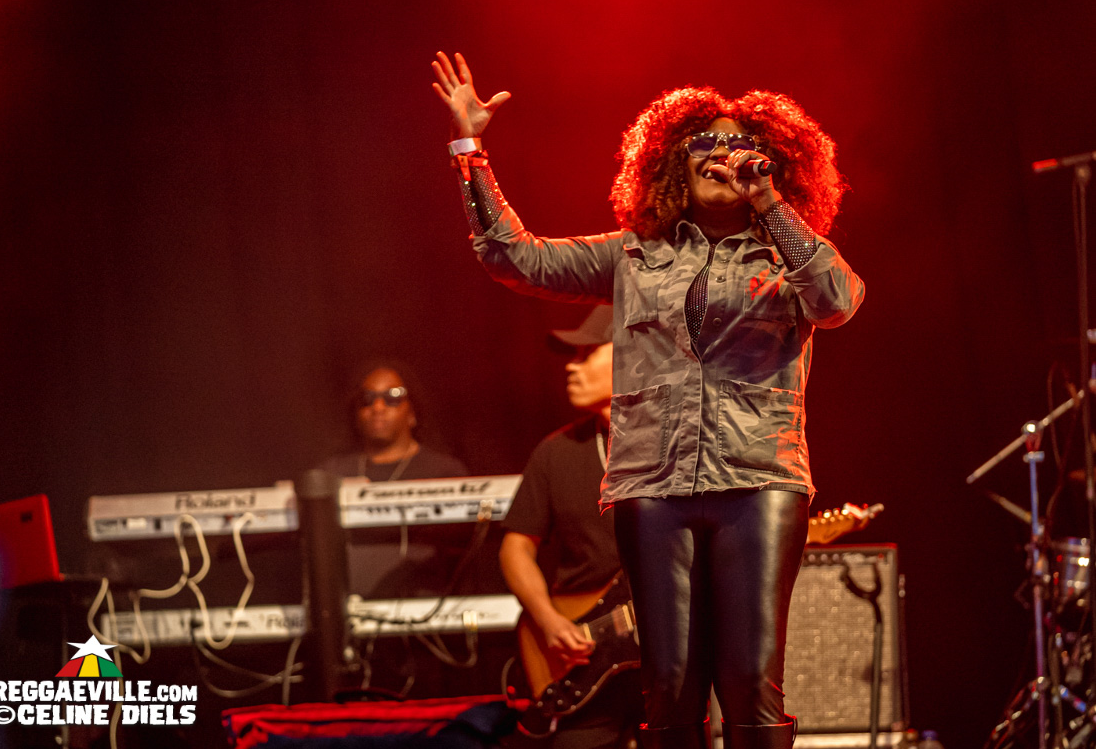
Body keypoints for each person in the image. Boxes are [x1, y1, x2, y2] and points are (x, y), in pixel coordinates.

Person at [432, 52, 865, 749]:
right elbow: (514, 256)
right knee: (668, 686)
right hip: (651, 488)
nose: (723, 154)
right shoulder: (632, 255)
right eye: (705, 143)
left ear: (775, 164)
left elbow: (838, 300)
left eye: (742, 145)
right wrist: (469, 148)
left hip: (758, 482)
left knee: (752, 682)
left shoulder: (786, 255)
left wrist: (768, 204)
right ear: (671, 163)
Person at [499, 304, 643, 749]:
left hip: (669, 660)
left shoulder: (682, 445)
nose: (571, 367)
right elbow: (515, 548)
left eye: (585, 354)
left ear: (630, 356)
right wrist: (547, 620)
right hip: (581, 657)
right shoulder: (556, 452)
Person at [324, 363, 467, 483]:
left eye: (392, 397)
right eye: (367, 398)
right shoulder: (331, 474)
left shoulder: (444, 472)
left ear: (412, 413)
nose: (378, 407)